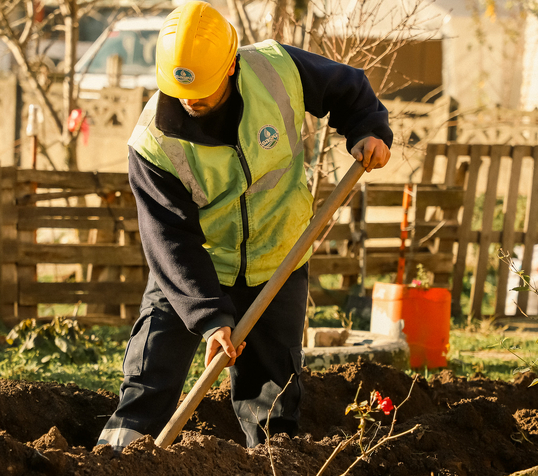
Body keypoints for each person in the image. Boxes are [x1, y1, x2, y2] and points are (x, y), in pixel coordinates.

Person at [98, 1, 392, 450]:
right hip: (196, 269)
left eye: (203, 89)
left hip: (278, 258)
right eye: (181, 91)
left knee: (272, 395)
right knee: (151, 374)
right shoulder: (152, 144)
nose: (191, 101)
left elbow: (348, 89)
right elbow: (169, 240)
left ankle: (271, 461)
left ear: (231, 66)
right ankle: (116, 457)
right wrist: (210, 317)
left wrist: (368, 128)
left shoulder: (276, 69)